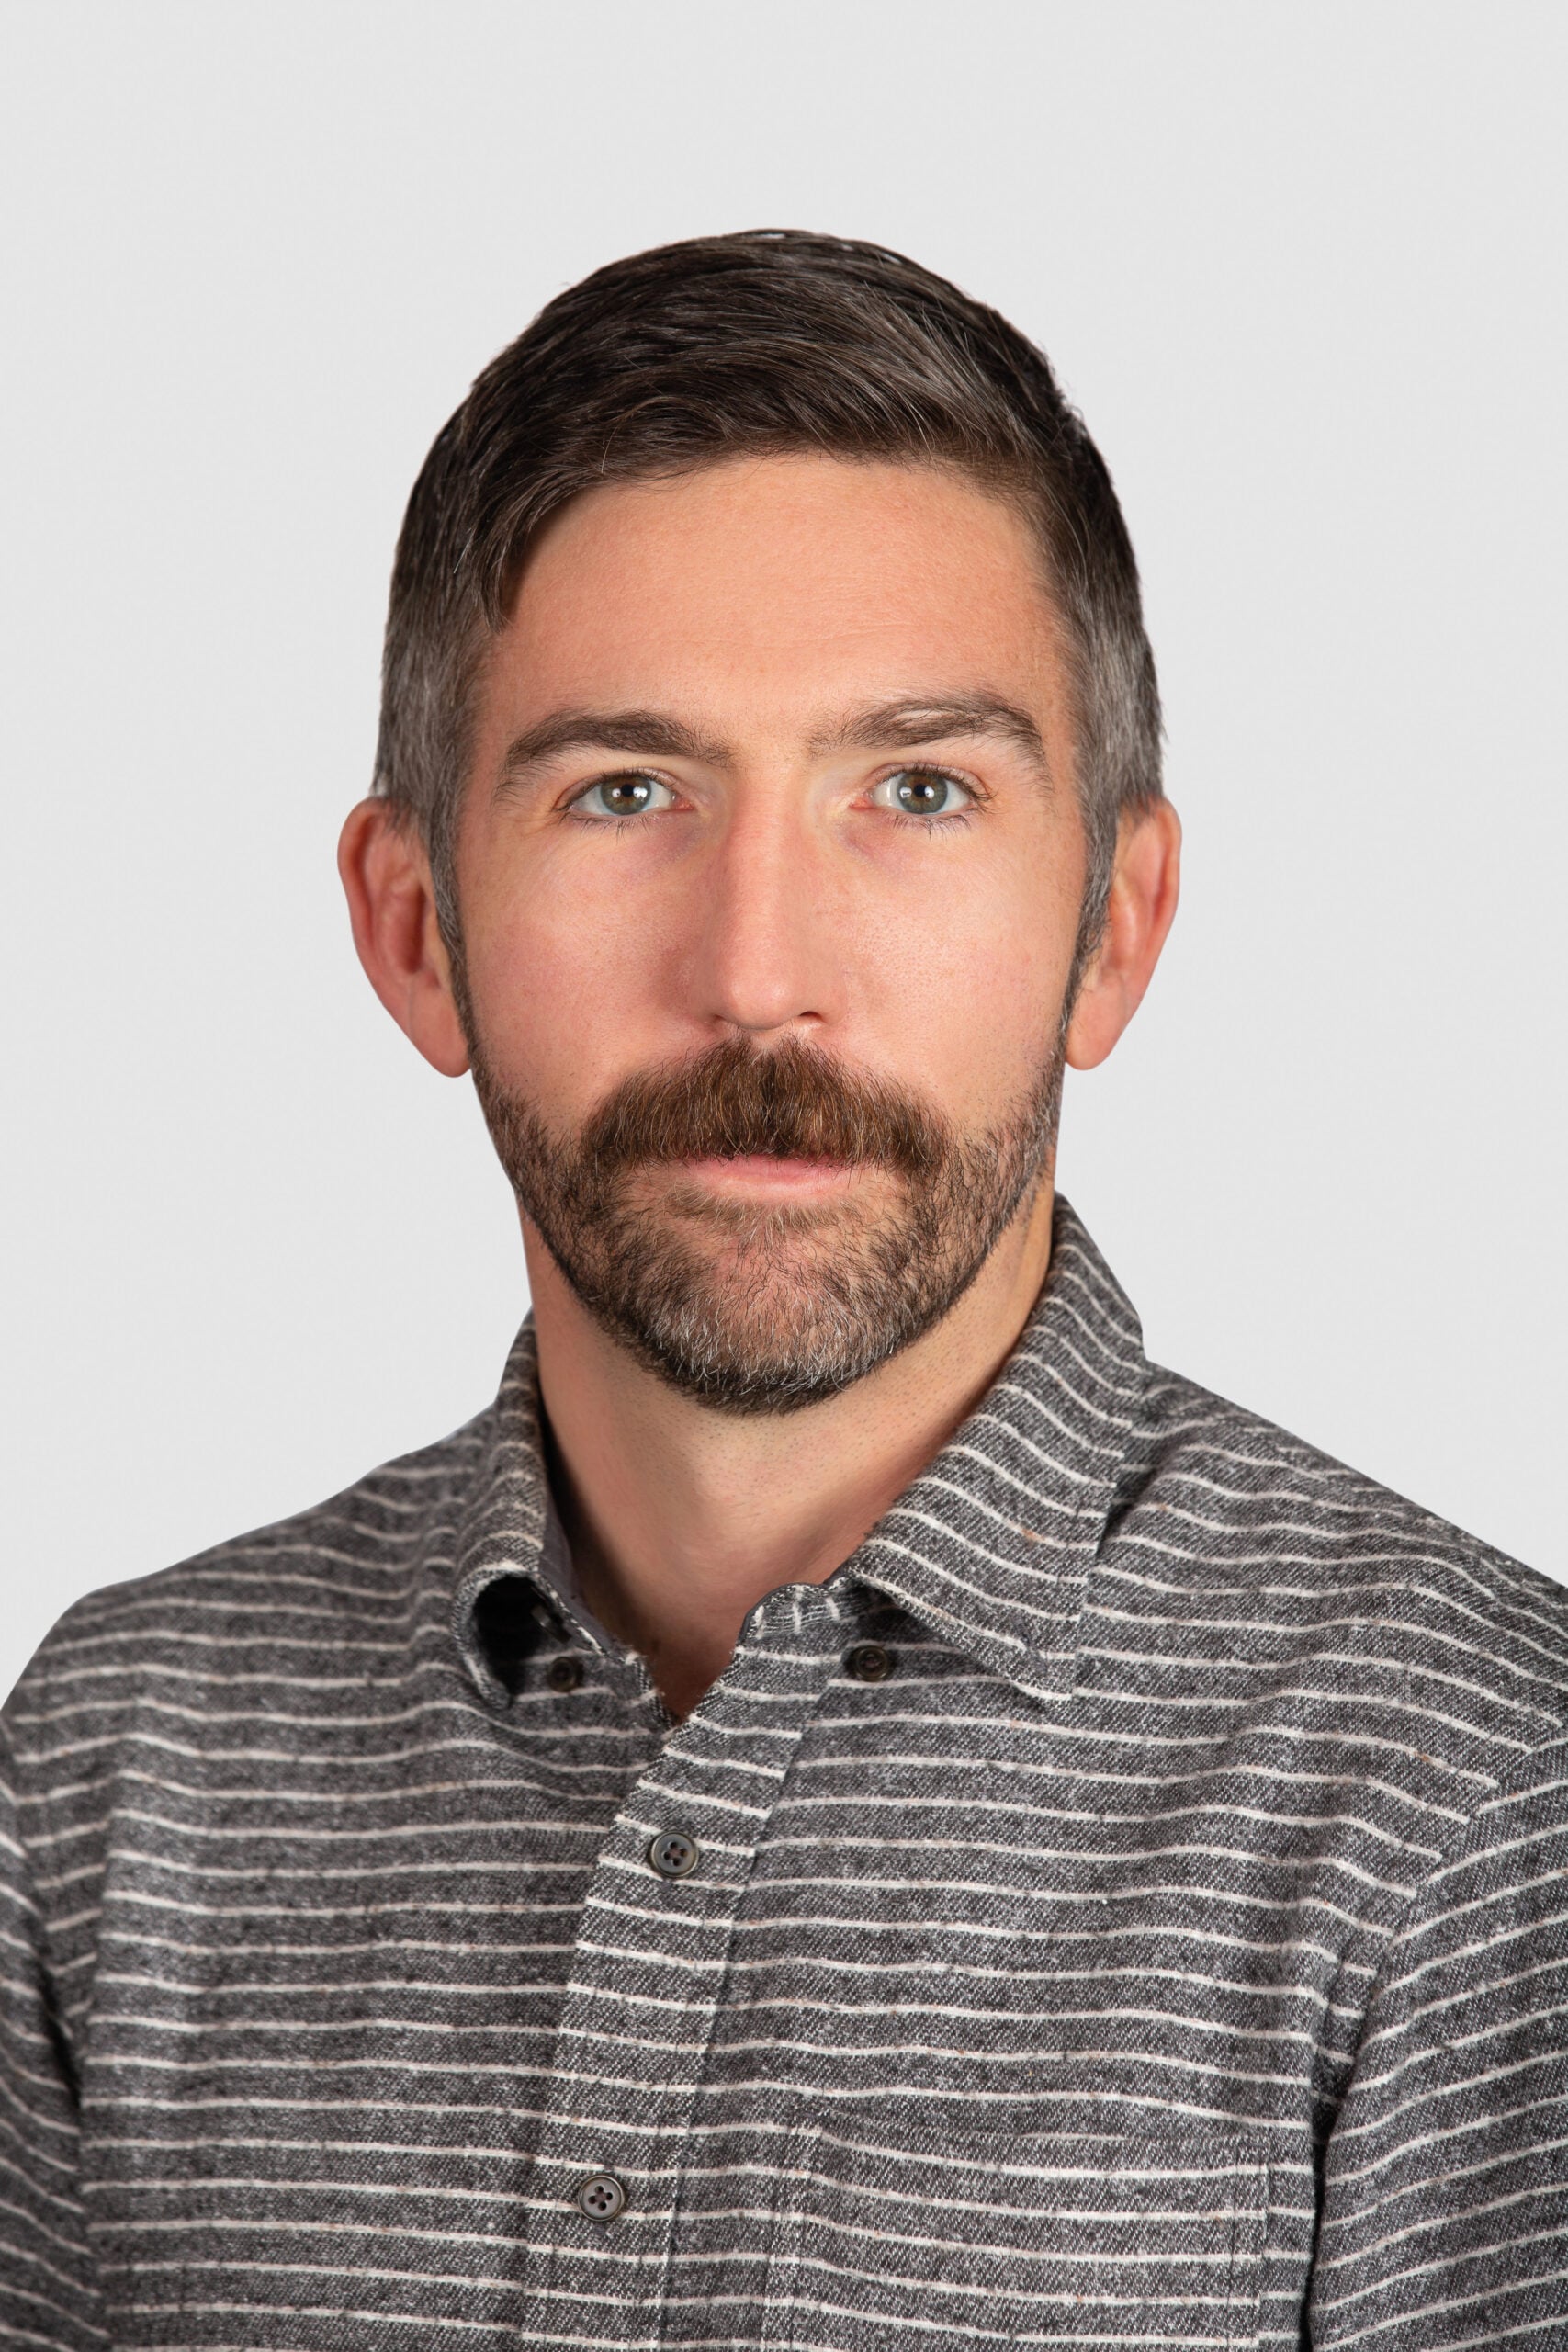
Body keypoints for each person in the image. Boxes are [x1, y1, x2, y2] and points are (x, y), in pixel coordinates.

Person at [2, 230, 1562, 2352]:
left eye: (914, 792)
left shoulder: (1476, 1790)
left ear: (1113, 923)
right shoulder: (114, 1764)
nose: (758, 967)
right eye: (623, 791)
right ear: (413, 930)